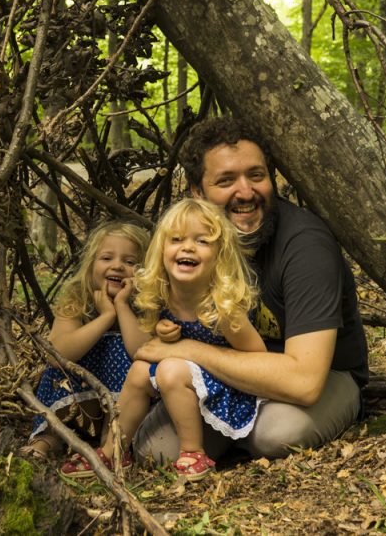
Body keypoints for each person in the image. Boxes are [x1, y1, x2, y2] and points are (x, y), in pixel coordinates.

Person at [132, 117, 369, 462]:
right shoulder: (189, 251)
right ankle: (227, 439)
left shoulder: (305, 246)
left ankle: (237, 440)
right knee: (155, 453)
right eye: (226, 180)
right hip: (230, 380)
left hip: (322, 377)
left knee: (277, 433)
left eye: (256, 176)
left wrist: (187, 350)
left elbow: (304, 382)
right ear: (198, 193)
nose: (245, 193)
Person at [59, 198, 265, 481]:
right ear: (161, 251)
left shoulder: (223, 307)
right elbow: (149, 346)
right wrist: (164, 334)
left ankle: (194, 453)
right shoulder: (163, 296)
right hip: (185, 385)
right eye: (176, 239)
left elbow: (258, 359)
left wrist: (191, 351)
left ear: (220, 256)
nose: (188, 247)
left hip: (228, 391)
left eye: (202, 241)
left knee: (169, 368)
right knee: (142, 366)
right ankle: (114, 449)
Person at [25, 221, 150, 458]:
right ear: (91, 264)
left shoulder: (146, 304)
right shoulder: (76, 296)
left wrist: (122, 306)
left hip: (123, 408)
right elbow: (57, 354)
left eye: (130, 262)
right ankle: (49, 439)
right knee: (62, 366)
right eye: (106, 258)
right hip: (76, 402)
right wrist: (105, 317)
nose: (118, 266)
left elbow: (140, 352)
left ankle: (111, 441)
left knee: (127, 356)